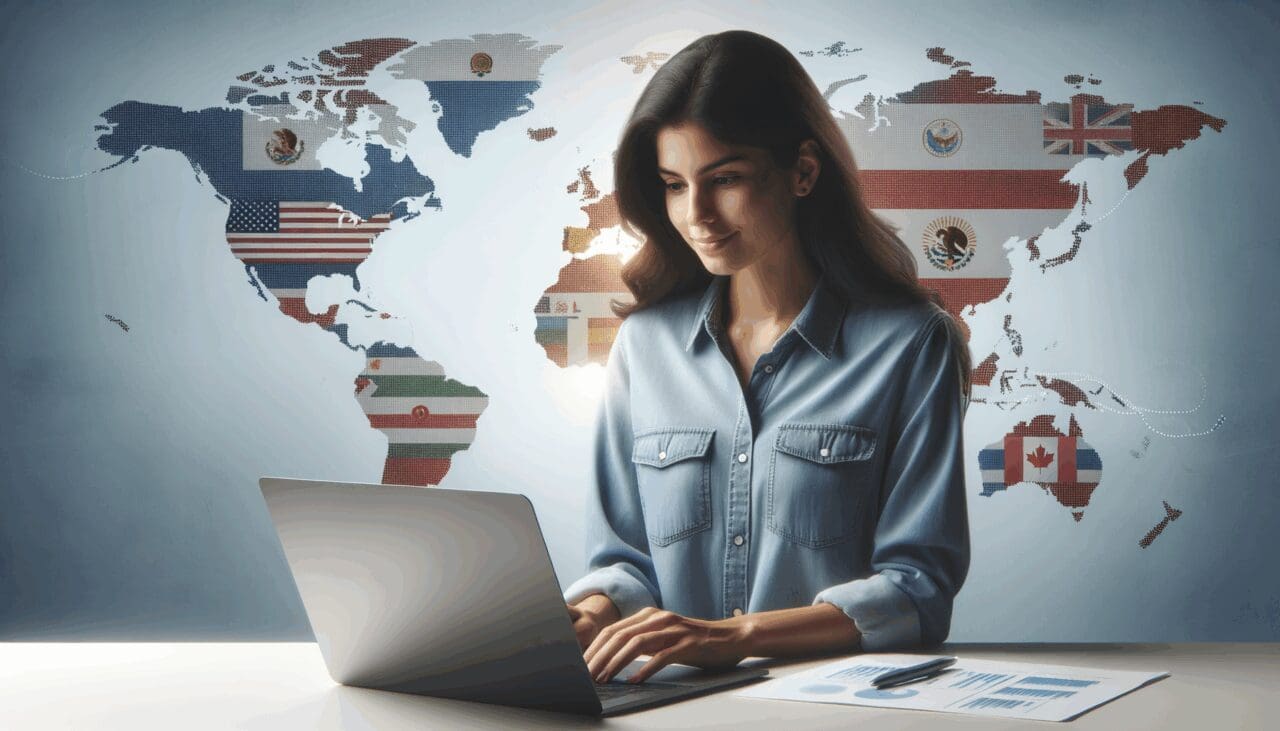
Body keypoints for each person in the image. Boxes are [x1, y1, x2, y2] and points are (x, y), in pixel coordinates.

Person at [562, 30, 972, 686]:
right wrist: (588, 611)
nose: (695, 214)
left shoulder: (911, 344)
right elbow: (625, 561)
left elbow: (916, 590)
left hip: (833, 711)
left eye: (723, 179)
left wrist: (735, 635)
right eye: (673, 184)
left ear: (803, 171)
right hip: (666, 709)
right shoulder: (645, 346)